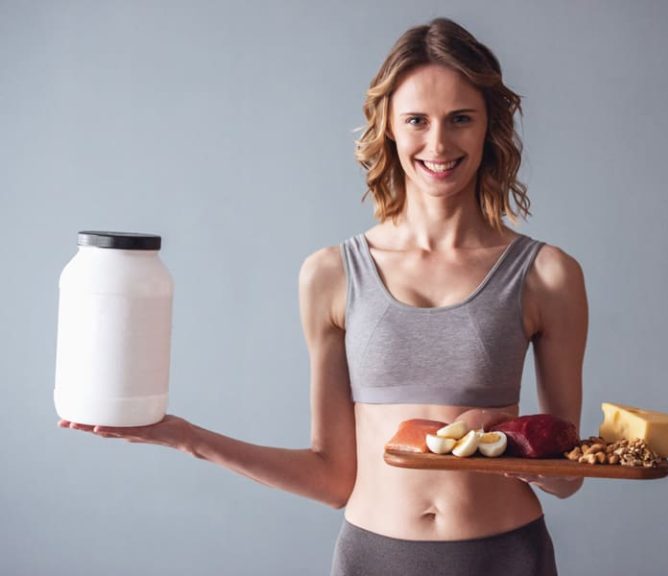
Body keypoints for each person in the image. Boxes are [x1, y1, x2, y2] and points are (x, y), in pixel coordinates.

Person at [59, 17, 588, 576]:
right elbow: (334, 477)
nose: (438, 143)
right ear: (387, 126)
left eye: (461, 119)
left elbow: (566, 478)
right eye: (416, 120)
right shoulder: (331, 274)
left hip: (503, 554)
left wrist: (497, 436)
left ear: (489, 128)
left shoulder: (547, 274)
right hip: (374, 556)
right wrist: (186, 437)